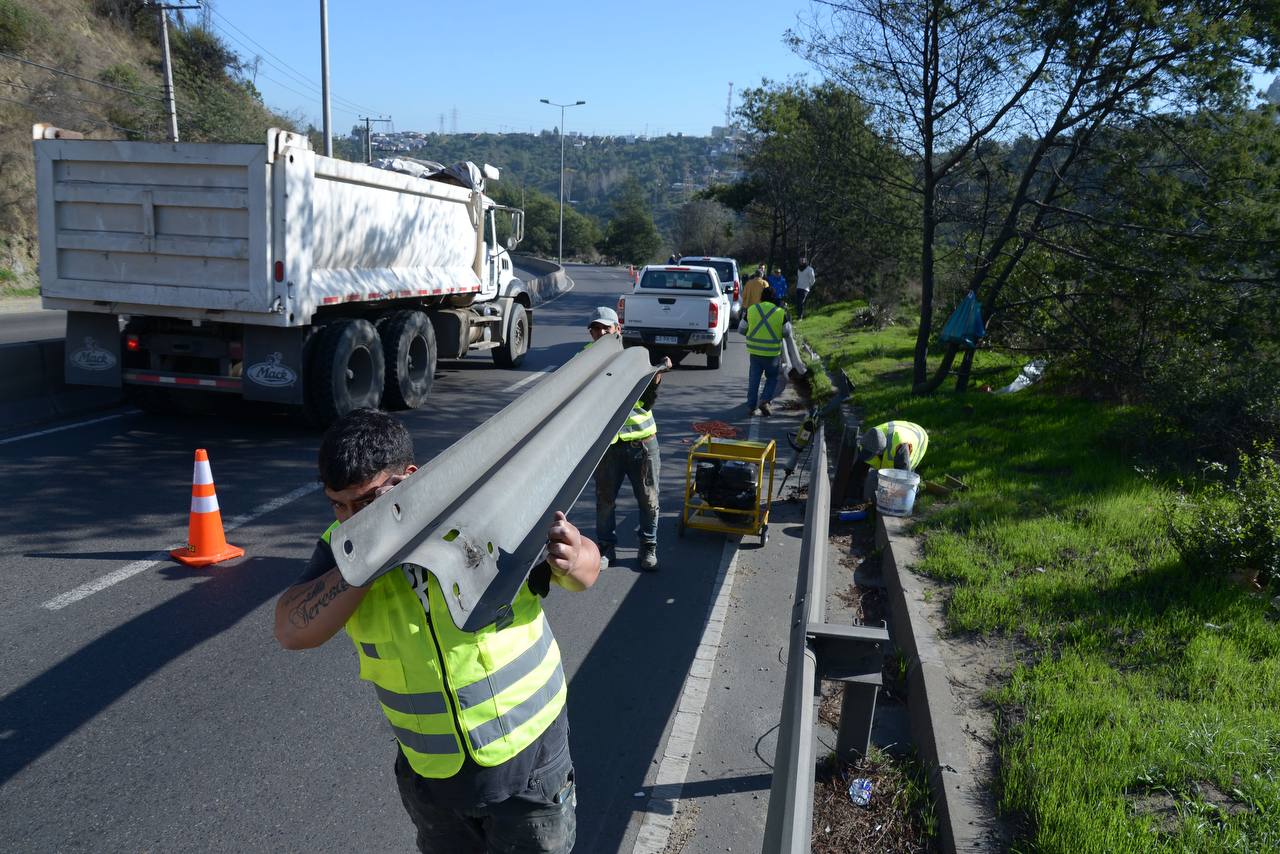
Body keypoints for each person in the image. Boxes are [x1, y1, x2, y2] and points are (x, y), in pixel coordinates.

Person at [274, 408, 602, 854]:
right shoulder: (344, 548)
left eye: (366, 503)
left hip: (529, 765)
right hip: (431, 777)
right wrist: (367, 559)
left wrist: (574, 553)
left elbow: (585, 572)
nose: (351, 518)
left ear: (410, 477)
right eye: (338, 503)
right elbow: (292, 631)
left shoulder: (484, 515)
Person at [587, 306, 663, 571]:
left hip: (641, 443)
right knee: (604, 501)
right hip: (608, 446)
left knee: (648, 500)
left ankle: (648, 548)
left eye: (605, 328)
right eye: (595, 329)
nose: (600, 333)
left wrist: (655, 383)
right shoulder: (583, 359)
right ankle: (606, 548)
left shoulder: (634, 358)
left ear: (617, 329)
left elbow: (646, 403)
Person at [738, 286, 791, 416]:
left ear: (762, 297)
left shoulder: (752, 310)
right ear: (774, 298)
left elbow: (741, 329)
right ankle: (765, 400)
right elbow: (787, 332)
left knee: (754, 379)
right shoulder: (780, 312)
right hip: (772, 353)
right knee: (772, 378)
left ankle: (751, 406)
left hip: (755, 352)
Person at [853, 420, 929, 500]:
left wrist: (891, 498)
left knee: (906, 479)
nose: (869, 457)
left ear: (880, 451)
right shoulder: (869, 439)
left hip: (918, 435)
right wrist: (854, 495)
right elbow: (859, 471)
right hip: (898, 430)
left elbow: (904, 477)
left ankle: (913, 495)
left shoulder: (900, 448)